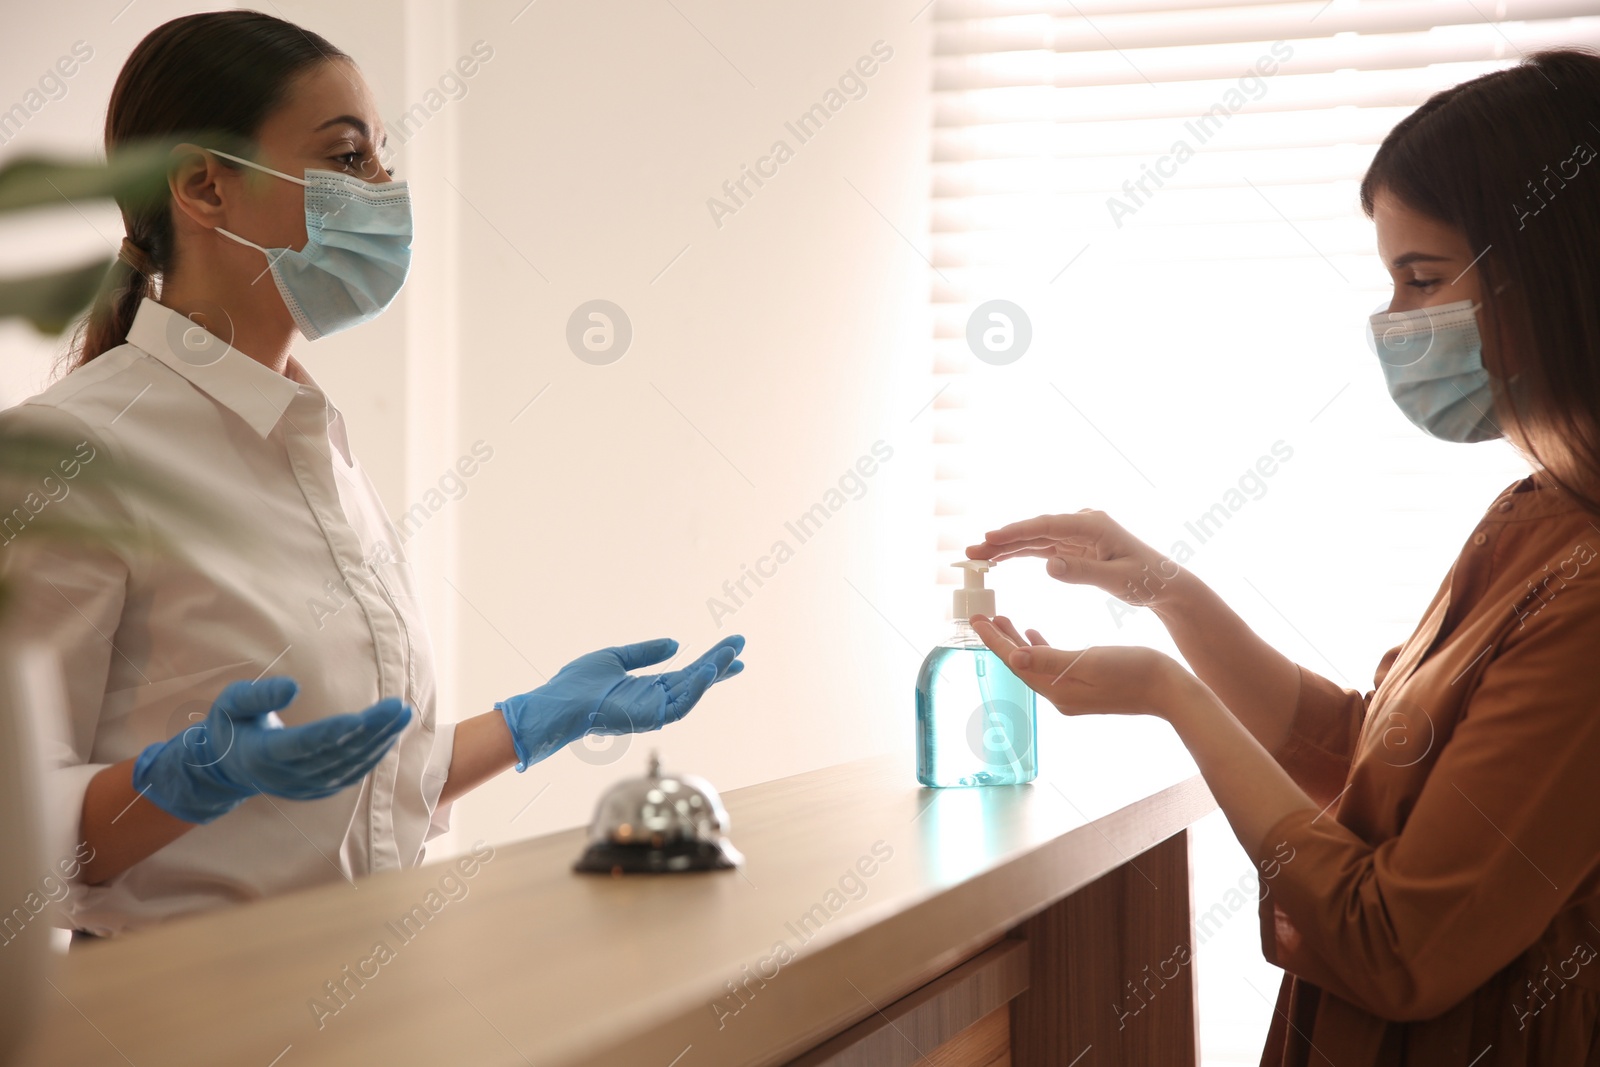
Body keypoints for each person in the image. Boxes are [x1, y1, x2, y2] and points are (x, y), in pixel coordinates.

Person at [0, 10, 745, 938]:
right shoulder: (74, 455)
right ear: (203, 185)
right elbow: (18, 839)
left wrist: (530, 722)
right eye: (349, 158)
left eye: (382, 158)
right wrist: (185, 782)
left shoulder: (310, 439)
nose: (385, 190)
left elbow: (350, 786)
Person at [966, 47, 1600, 1065]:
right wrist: (1163, 590)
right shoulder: (1533, 513)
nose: (1393, 322)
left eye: (1421, 277)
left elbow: (1398, 945)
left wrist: (1172, 695)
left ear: (1560, 273)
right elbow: (1372, 754)